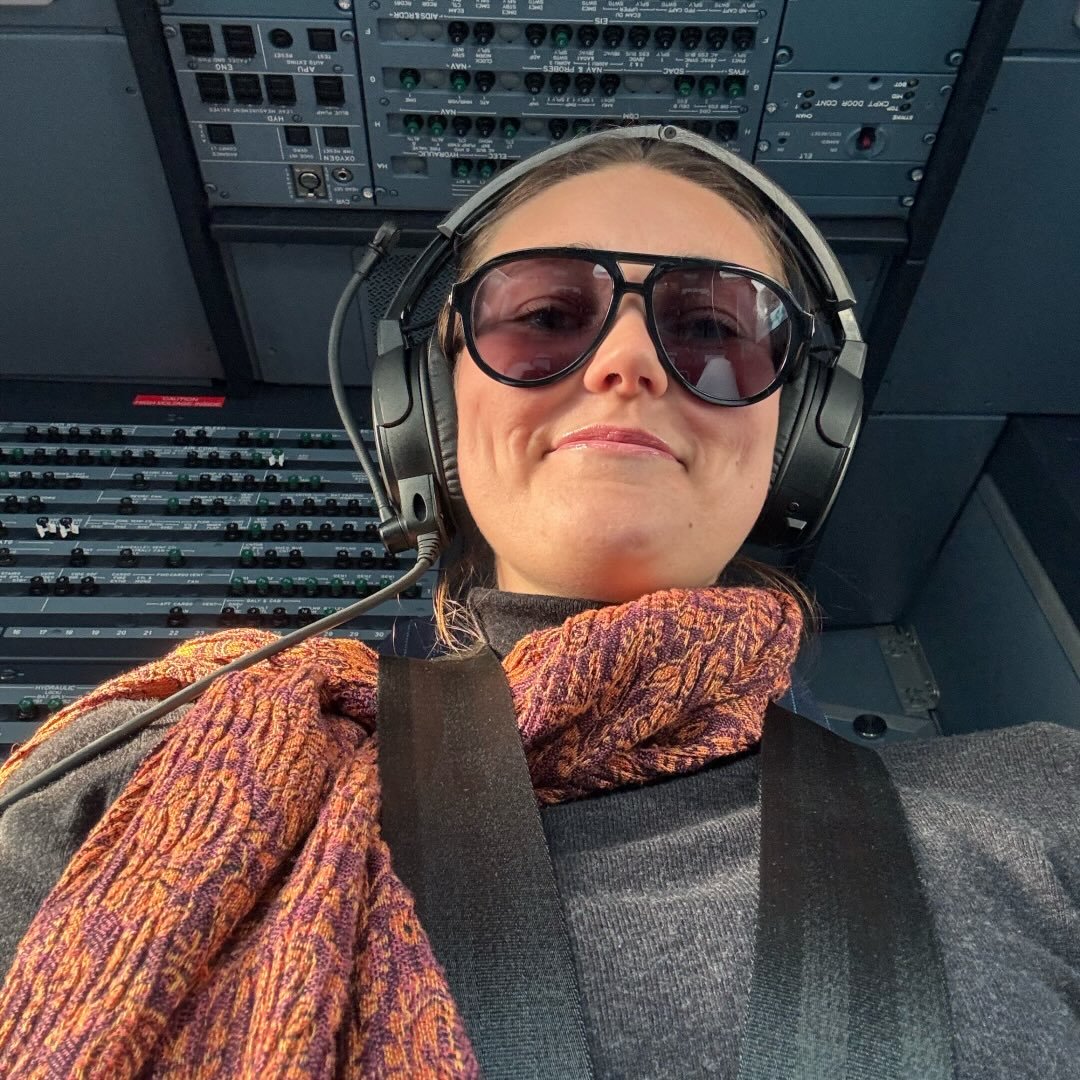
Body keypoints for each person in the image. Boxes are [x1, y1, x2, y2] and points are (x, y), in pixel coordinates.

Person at [0, 130, 1077, 1079]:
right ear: (425, 409)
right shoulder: (154, 755)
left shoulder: (1044, 798)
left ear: (801, 437)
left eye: (711, 329)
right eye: (548, 316)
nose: (628, 363)